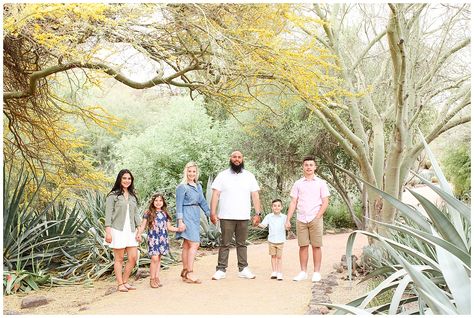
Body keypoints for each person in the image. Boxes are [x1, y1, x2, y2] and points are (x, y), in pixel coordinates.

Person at [210, 150, 262, 280]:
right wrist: (212, 212)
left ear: (242, 159)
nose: (236, 159)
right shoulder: (222, 175)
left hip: (243, 216)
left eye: (239, 157)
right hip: (226, 215)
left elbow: (255, 195)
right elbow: (215, 194)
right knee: (225, 243)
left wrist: (257, 213)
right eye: (234, 157)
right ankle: (221, 270)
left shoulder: (249, 176)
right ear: (230, 158)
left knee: (242, 243)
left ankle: (243, 269)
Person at [285, 156, 330, 282]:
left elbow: (325, 201)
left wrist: (318, 216)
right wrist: (288, 219)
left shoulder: (321, 183)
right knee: (303, 246)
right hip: (301, 219)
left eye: (311, 165)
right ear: (303, 167)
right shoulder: (298, 183)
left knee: (316, 246)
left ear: (315, 167)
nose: (309, 167)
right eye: (306, 165)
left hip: (315, 218)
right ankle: (303, 272)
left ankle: (316, 272)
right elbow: (294, 202)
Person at [104, 169, 141, 292]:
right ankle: (120, 284)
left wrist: (139, 231)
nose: (127, 181)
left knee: (133, 258)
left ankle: (125, 281)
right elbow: (108, 215)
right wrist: (108, 232)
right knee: (119, 259)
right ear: (120, 179)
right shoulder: (113, 196)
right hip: (117, 230)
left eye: (129, 178)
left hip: (131, 230)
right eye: (124, 178)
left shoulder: (132, 196)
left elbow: (136, 215)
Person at [175, 161, 211, 284]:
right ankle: (190, 272)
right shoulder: (182, 187)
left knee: (187, 244)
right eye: (189, 171)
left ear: (196, 173)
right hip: (186, 215)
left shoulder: (198, 186)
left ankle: (185, 272)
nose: (191, 173)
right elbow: (178, 205)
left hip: (195, 216)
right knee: (195, 244)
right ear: (186, 172)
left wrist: (209, 214)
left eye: (194, 171)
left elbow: (202, 201)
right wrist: (180, 221)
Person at [136, 193, 181, 288]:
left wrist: (178, 229)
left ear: (163, 202)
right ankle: (152, 279)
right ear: (152, 202)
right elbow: (143, 226)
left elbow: (169, 227)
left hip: (163, 238)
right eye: (156, 200)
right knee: (154, 258)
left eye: (160, 200)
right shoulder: (148, 213)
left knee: (159, 258)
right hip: (153, 238)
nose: (158, 202)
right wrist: (139, 234)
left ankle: (156, 277)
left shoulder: (165, 214)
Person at [255, 199, 287, 281]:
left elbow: (287, 226)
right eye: (274, 206)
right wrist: (257, 224)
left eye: (278, 206)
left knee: (279, 257)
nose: (276, 207)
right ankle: (274, 271)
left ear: (281, 207)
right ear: (272, 207)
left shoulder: (284, 217)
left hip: (280, 241)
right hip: (271, 240)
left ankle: (280, 273)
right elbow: (263, 225)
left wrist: (288, 226)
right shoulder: (269, 216)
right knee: (273, 256)